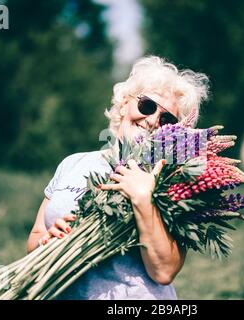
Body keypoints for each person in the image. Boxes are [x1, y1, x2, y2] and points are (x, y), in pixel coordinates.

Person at [26, 56, 210, 299]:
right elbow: (36, 236)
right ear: (124, 104)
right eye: (147, 105)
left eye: (167, 120)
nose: (153, 120)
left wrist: (143, 198)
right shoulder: (74, 163)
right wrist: (46, 242)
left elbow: (164, 271)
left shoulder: (174, 181)